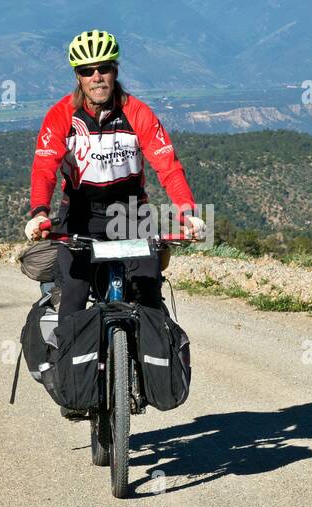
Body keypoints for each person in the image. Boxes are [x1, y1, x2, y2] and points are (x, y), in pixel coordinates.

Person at [23, 29, 206, 417]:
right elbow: (45, 166)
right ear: (78, 76)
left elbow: (167, 166)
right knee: (72, 293)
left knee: (149, 293)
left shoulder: (138, 112)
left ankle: (147, 370)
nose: (97, 77)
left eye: (104, 68)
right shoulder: (61, 115)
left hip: (130, 213)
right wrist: (39, 212)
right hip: (80, 215)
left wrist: (188, 213)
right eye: (87, 70)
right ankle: (73, 382)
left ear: (115, 70)